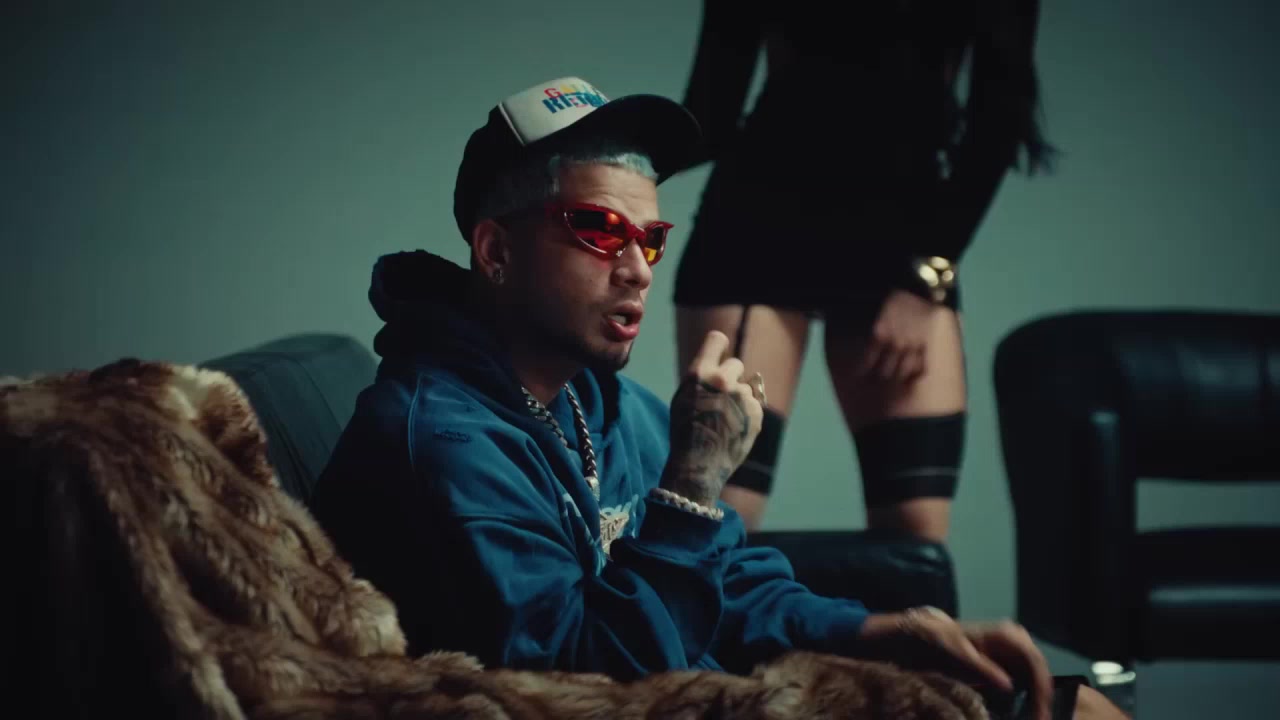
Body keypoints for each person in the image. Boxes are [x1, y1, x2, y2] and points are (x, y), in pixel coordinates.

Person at [309, 76, 1120, 720]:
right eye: (599, 229)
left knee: (1068, 700)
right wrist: (693, 483)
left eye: (651, 238)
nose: (638, 269)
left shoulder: (599, 401)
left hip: (714, 691)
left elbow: (727, 577)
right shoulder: (440, 440)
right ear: (495, 251)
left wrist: (884, 633)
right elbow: (577, 686)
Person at [673, 0, 1057, 537]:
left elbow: (999, 115)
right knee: (721, 513)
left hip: (905, 242)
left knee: (915, 534)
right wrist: (605, 160)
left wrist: (923, 282)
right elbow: (711, 109)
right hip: (757, 223)